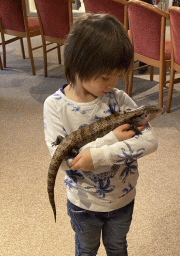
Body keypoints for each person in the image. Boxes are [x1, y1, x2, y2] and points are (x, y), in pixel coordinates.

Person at [44, 13, 158, 256]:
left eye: (117, 74)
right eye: (105, 76)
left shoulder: (119, 99)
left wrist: (98, 156)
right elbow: (66, 162)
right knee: (86, 249)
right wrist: (112, 139)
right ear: (78, 64)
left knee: (118, 247)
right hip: (84, 204)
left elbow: (150, 141)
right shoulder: (55, 106)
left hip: (123, 198)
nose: (113, 82)